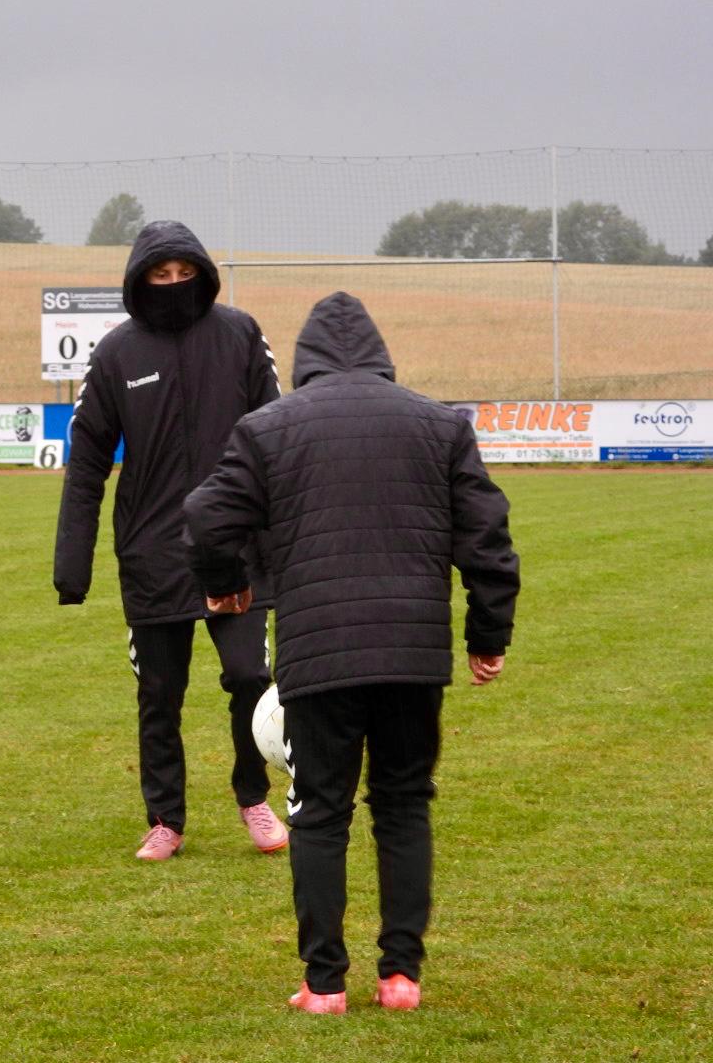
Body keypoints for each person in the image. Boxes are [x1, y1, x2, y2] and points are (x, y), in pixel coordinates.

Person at [183, 292, 519, 1013]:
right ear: (379, 355)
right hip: (411, 653)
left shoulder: (267, 427)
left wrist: (226, 586)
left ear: (305, 359)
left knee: (321, 810)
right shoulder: (439, 424)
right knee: (403, 805)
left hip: (319, 651)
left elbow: (208, 515)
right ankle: (400, 977)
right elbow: (487, 534)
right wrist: (487, 634)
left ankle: (324, 983)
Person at [54, 220, 288, 862]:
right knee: (159, 693)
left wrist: (288, 538)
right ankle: (166, 819)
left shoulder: (241, 334)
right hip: (152, 555)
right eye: (161, 274)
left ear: (203, 274)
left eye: (186, 273)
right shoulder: (116, 354)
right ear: (140, 279)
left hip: (237, 550)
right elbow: (87, 460)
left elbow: (277, 436)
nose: (175, 283)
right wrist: (72, 564)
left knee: (250, 677)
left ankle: (253, 796)